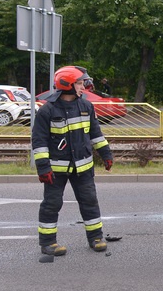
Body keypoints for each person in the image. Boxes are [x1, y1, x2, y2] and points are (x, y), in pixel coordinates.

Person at [32, 66, 113, 257]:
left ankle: (96, 237)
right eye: (79, 83)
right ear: (66, 84)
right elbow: (39, 141)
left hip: (83, 166)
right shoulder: (47, 111)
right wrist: (43, 168)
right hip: (56, 169)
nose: (83, 86)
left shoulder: (86, 106)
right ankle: (48, 242)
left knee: (89, 201)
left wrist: (106, 154)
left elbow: (96, 134)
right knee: (52, 204)